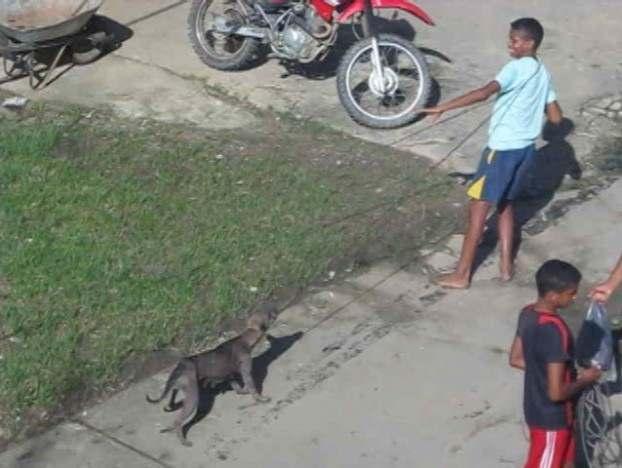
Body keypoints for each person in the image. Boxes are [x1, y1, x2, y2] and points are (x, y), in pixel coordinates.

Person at [423, 18, 562, 289]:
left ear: (530, 43)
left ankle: (461, 275)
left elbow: (483, 93)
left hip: (501, 151)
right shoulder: (543, 73)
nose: (510, 44)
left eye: (515, 40)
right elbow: (556, 117)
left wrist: (444, 107)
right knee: (505, 205)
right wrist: (531, 106)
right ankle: (506, 267)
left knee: (478, 209)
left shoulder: (514, 68)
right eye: (510, 39)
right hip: (525, 151)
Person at [509, 259, 601, 468]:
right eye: (571, 293)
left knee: (567, 461)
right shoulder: (555, 332)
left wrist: (546, 374)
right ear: (553, 296)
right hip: (552, 419)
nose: (575, 297)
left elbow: (515, 358)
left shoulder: (527, 313)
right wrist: (585, 379)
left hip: (534, 407)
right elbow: (556, 394)